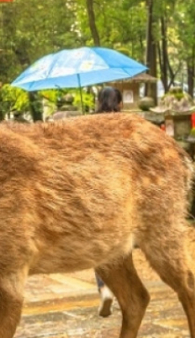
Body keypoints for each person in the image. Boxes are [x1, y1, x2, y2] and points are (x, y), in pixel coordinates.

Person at [91, 85, 122, 317]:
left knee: (97, 244)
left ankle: (104, 288)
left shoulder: (89, 124)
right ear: (118, 103)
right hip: (119, 189)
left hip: (94, 190)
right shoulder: (122, 124)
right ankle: (118, 286)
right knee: (120, 243)